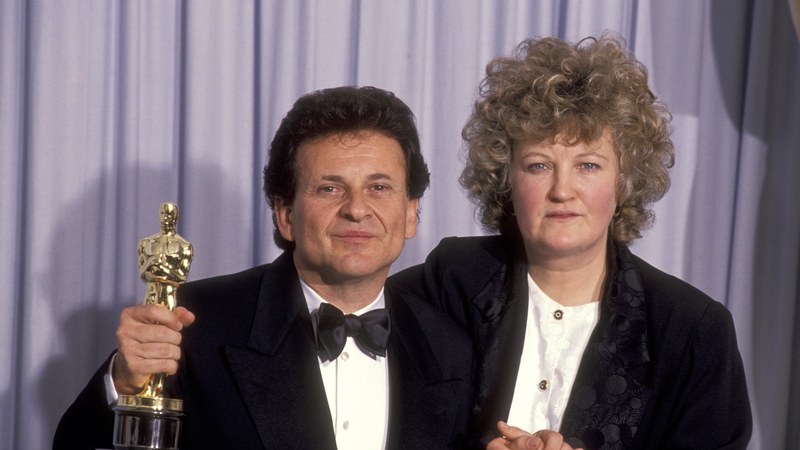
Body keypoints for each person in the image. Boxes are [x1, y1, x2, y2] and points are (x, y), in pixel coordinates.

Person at [54, 86, 474, 449]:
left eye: (379, 188)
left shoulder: (448, 346)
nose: (357, 209)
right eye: (330, 188)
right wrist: (123, 383)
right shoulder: (192, 323)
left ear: (411, 213)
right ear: (285, 214)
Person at [393, 35, 752, 449]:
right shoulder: (449, 283)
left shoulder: (693, 331)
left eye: (588, 165)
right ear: (507, 180)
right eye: (539, 165)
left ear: (624, 181)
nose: (562, 190)